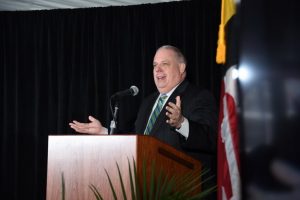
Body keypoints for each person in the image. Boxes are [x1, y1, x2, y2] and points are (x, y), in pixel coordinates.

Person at [69, 45, 217, 193]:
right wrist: (105, 132)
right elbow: (138, 142)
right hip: (144, 187)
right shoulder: (148, 102)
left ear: (181, 67)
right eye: (155, 65)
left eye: (164, 64)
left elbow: (209, 138)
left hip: (179, 190)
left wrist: (181, 123)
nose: (157, 69)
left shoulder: (199, 96)